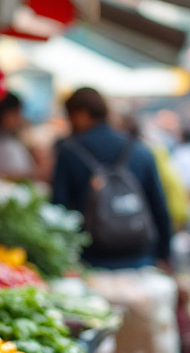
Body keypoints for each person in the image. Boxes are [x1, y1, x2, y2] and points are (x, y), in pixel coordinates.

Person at [52, 87, 173, 269]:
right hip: (140, 255)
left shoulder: (70, 152)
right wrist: (165, 255)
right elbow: (159, 206)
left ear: (81, 114)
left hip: (90, 258)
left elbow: (58, 209)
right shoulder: (140, 150)